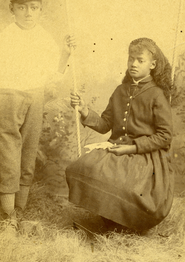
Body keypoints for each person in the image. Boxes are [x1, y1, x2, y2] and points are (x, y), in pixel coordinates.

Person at [0, 0, 74, 226]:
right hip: (8, 98)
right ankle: (8, 216)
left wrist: (64, 53)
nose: (28, 13)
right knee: (9, 154)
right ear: (12, 9)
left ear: (41, 10)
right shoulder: (3, 38)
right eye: (22, 8)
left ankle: (19, 210)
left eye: (34, 7)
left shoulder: (44, 38)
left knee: (28, 152)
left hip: (35, 96)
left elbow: (54, 74)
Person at [66, 37, 174, 232]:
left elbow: (165, 136)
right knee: (81, 167)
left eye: (140, 60)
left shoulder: (157, 95)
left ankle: (124, 226)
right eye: (131, 59)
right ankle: (108, 221)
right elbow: (105, 124)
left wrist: (132, 148)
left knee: (125, 184)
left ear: (152, 65)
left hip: (145, 156)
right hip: (117, 149)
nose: (133, 64)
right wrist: (84, 110)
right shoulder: (120, 91)